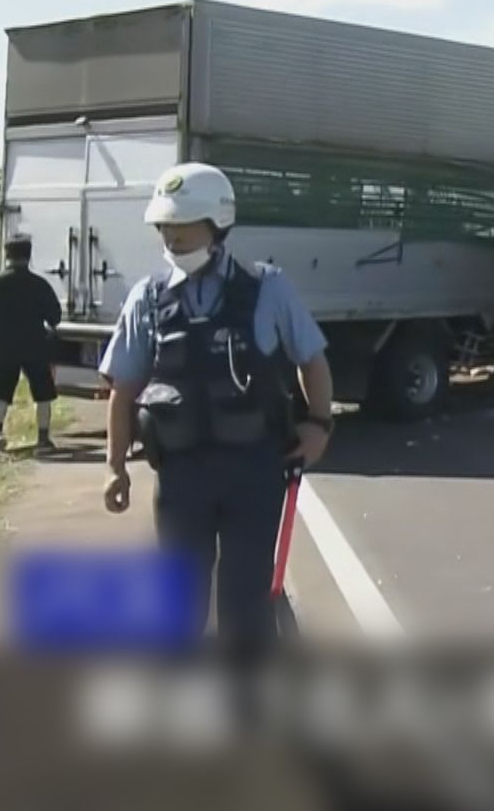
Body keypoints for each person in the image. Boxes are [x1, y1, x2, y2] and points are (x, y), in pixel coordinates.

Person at [98, 162, 334, 651]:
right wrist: (114, 466)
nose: (172, 236)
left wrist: (319, 424)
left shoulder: (267, 288)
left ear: (217, 222)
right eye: (165, 226)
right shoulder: (147, 297)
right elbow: (123, 388)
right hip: (181, 474)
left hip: (255, 471)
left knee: (246, 597)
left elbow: (311, 359)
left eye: (183, 224)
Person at [0, 236, 63, 456]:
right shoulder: (39, 284)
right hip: (35, 345)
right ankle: (43, 440)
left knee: (0, 392)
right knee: (42, 393)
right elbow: (55, 318)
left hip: (4, 347)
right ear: (29, 255)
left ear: (6, 255)